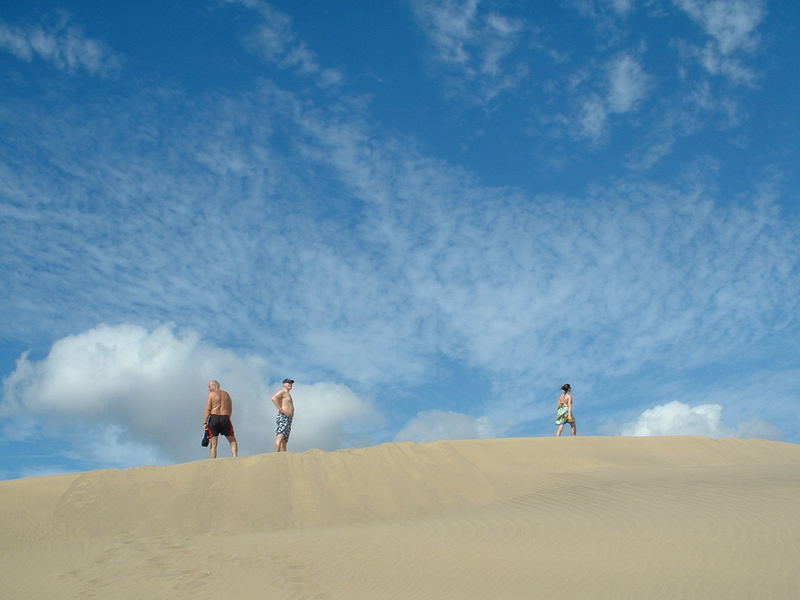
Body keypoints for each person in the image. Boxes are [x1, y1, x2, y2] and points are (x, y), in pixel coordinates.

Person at [203, 380, 238, 458]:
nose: (208, 389)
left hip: (214, 417)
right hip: (225, 417)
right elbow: (230, 408)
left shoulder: (211, 394)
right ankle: (235, 457)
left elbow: (208, 408)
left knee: (213, 443)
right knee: (232, 441)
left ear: (214, 385)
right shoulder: (226, 394)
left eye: (209, 386)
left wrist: (205, 422)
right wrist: (227, 418)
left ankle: (213, 462)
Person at [271, 378, 295, 452]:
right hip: (283, 416)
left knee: (284, 439)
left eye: (291, 383)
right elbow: (273, 398)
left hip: (289, 418)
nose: (290, 384)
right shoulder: (283, 392)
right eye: (288, 383)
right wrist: (281, 410)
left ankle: (283, 457)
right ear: (284, 384)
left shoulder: (288, 394)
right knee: (280, 436)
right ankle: (276, 456)